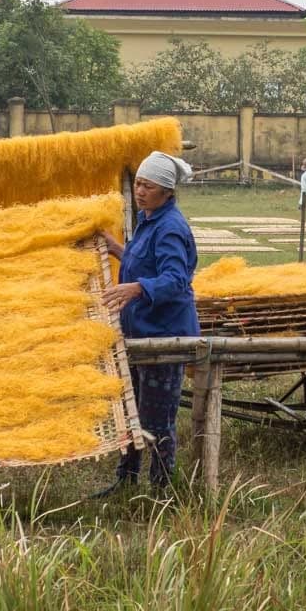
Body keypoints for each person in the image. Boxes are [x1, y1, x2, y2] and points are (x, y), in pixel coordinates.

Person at [95, 151, 199, 497]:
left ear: (167, 191)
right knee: (132, 411)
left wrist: (138, 287)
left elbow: (175, 279)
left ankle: (163, 488)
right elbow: (146, 262)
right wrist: (117, 249)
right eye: (137, 184)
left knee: (157, 416)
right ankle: (126, 478)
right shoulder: (149, 219)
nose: (139, 191)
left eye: (147, 186)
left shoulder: (170, 228)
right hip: (141, 331)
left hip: (164, 336)